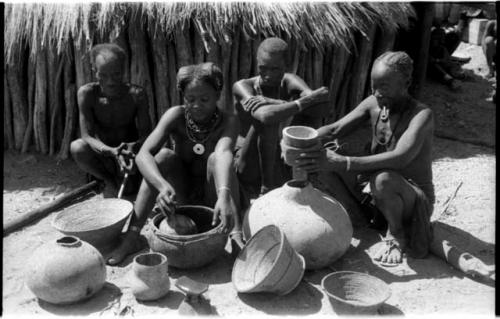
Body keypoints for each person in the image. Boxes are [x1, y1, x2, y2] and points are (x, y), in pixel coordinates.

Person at [295, 51, 435, 266]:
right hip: (376, 192)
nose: (377, 93)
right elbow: (334, 130)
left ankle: (396, 234)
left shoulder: (421, 115)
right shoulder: (373, 103)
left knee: (383, 179)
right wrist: (301, 141)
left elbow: (401, 158)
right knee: (319, 159)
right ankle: (360, 217)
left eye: (384, 87)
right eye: (373, 85)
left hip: (412, 200)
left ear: (406, 82)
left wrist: (345, 163)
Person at [108, 62, 243, 265]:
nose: (196, 105)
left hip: (214, 198)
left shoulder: (229, 121)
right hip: (182, 196)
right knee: (162, 157)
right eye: (190, 99)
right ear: (183, 97)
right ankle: (132, 236)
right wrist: (162, 186)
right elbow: (143, 154)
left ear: (218, 95)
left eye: (205, 99)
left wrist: (223, 195)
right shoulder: (176, 116)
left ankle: (236, 236)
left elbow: (224, 153)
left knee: (217, 159)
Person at [232, 37, 330, 197]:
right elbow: (265, 116)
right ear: (256, 62)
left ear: (287, 66)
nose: (268, 75)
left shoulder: (289, 81)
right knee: (268, 120)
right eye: (262, 68)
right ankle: (267, 189)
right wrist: (304, 101)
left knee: (304, 117)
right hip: (245, 163)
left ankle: (300, 180)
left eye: (275, 69)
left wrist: (275, 101)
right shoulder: (243, 86)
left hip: (278, 159)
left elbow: (322, 108)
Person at [71, 43, 152, 197]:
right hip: (103, 153)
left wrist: (132, 148)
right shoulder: (87, 94)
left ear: (123, 71)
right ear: (95, 72)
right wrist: (109, 151)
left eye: (116, 74)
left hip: (129, 153)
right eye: (103, 75)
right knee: (77, 147)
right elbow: (86, 136)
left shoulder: (136, 95)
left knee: (129, 191)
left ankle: (123, 178)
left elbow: (146, 134)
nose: (110, 81)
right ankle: (107, 180)